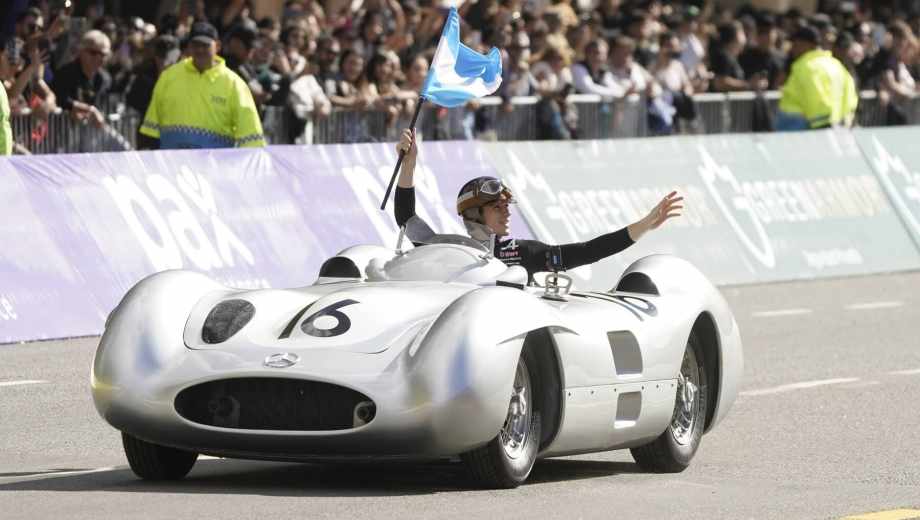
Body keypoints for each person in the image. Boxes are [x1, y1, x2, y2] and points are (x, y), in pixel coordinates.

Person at [391, 128, 683, 281]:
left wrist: (643, 226)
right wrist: (409, 164)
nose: (507, 211)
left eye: (507, 206)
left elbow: (586, 252)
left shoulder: (521, 251)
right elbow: (407, 219)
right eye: (497, 206)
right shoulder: (448, 246)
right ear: (474, 214)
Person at [139, 22, 265, 149]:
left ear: (218, 46)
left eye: (205, 45)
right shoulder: (168, 77)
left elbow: (251, 137)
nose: (200, 50)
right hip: (172, 165)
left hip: (215, 166)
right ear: (189, 47)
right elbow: (151, 130)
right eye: (195, 44)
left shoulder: (234, 84)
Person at [776, 26, 858, 130]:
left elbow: (816, 101)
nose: (792, 49)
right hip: (838, 128)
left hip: (803, 131)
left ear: (807, 44)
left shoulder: (806, 66)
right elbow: (851, 97)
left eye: (795, 44)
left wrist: (821, 130)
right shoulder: (836, 64)